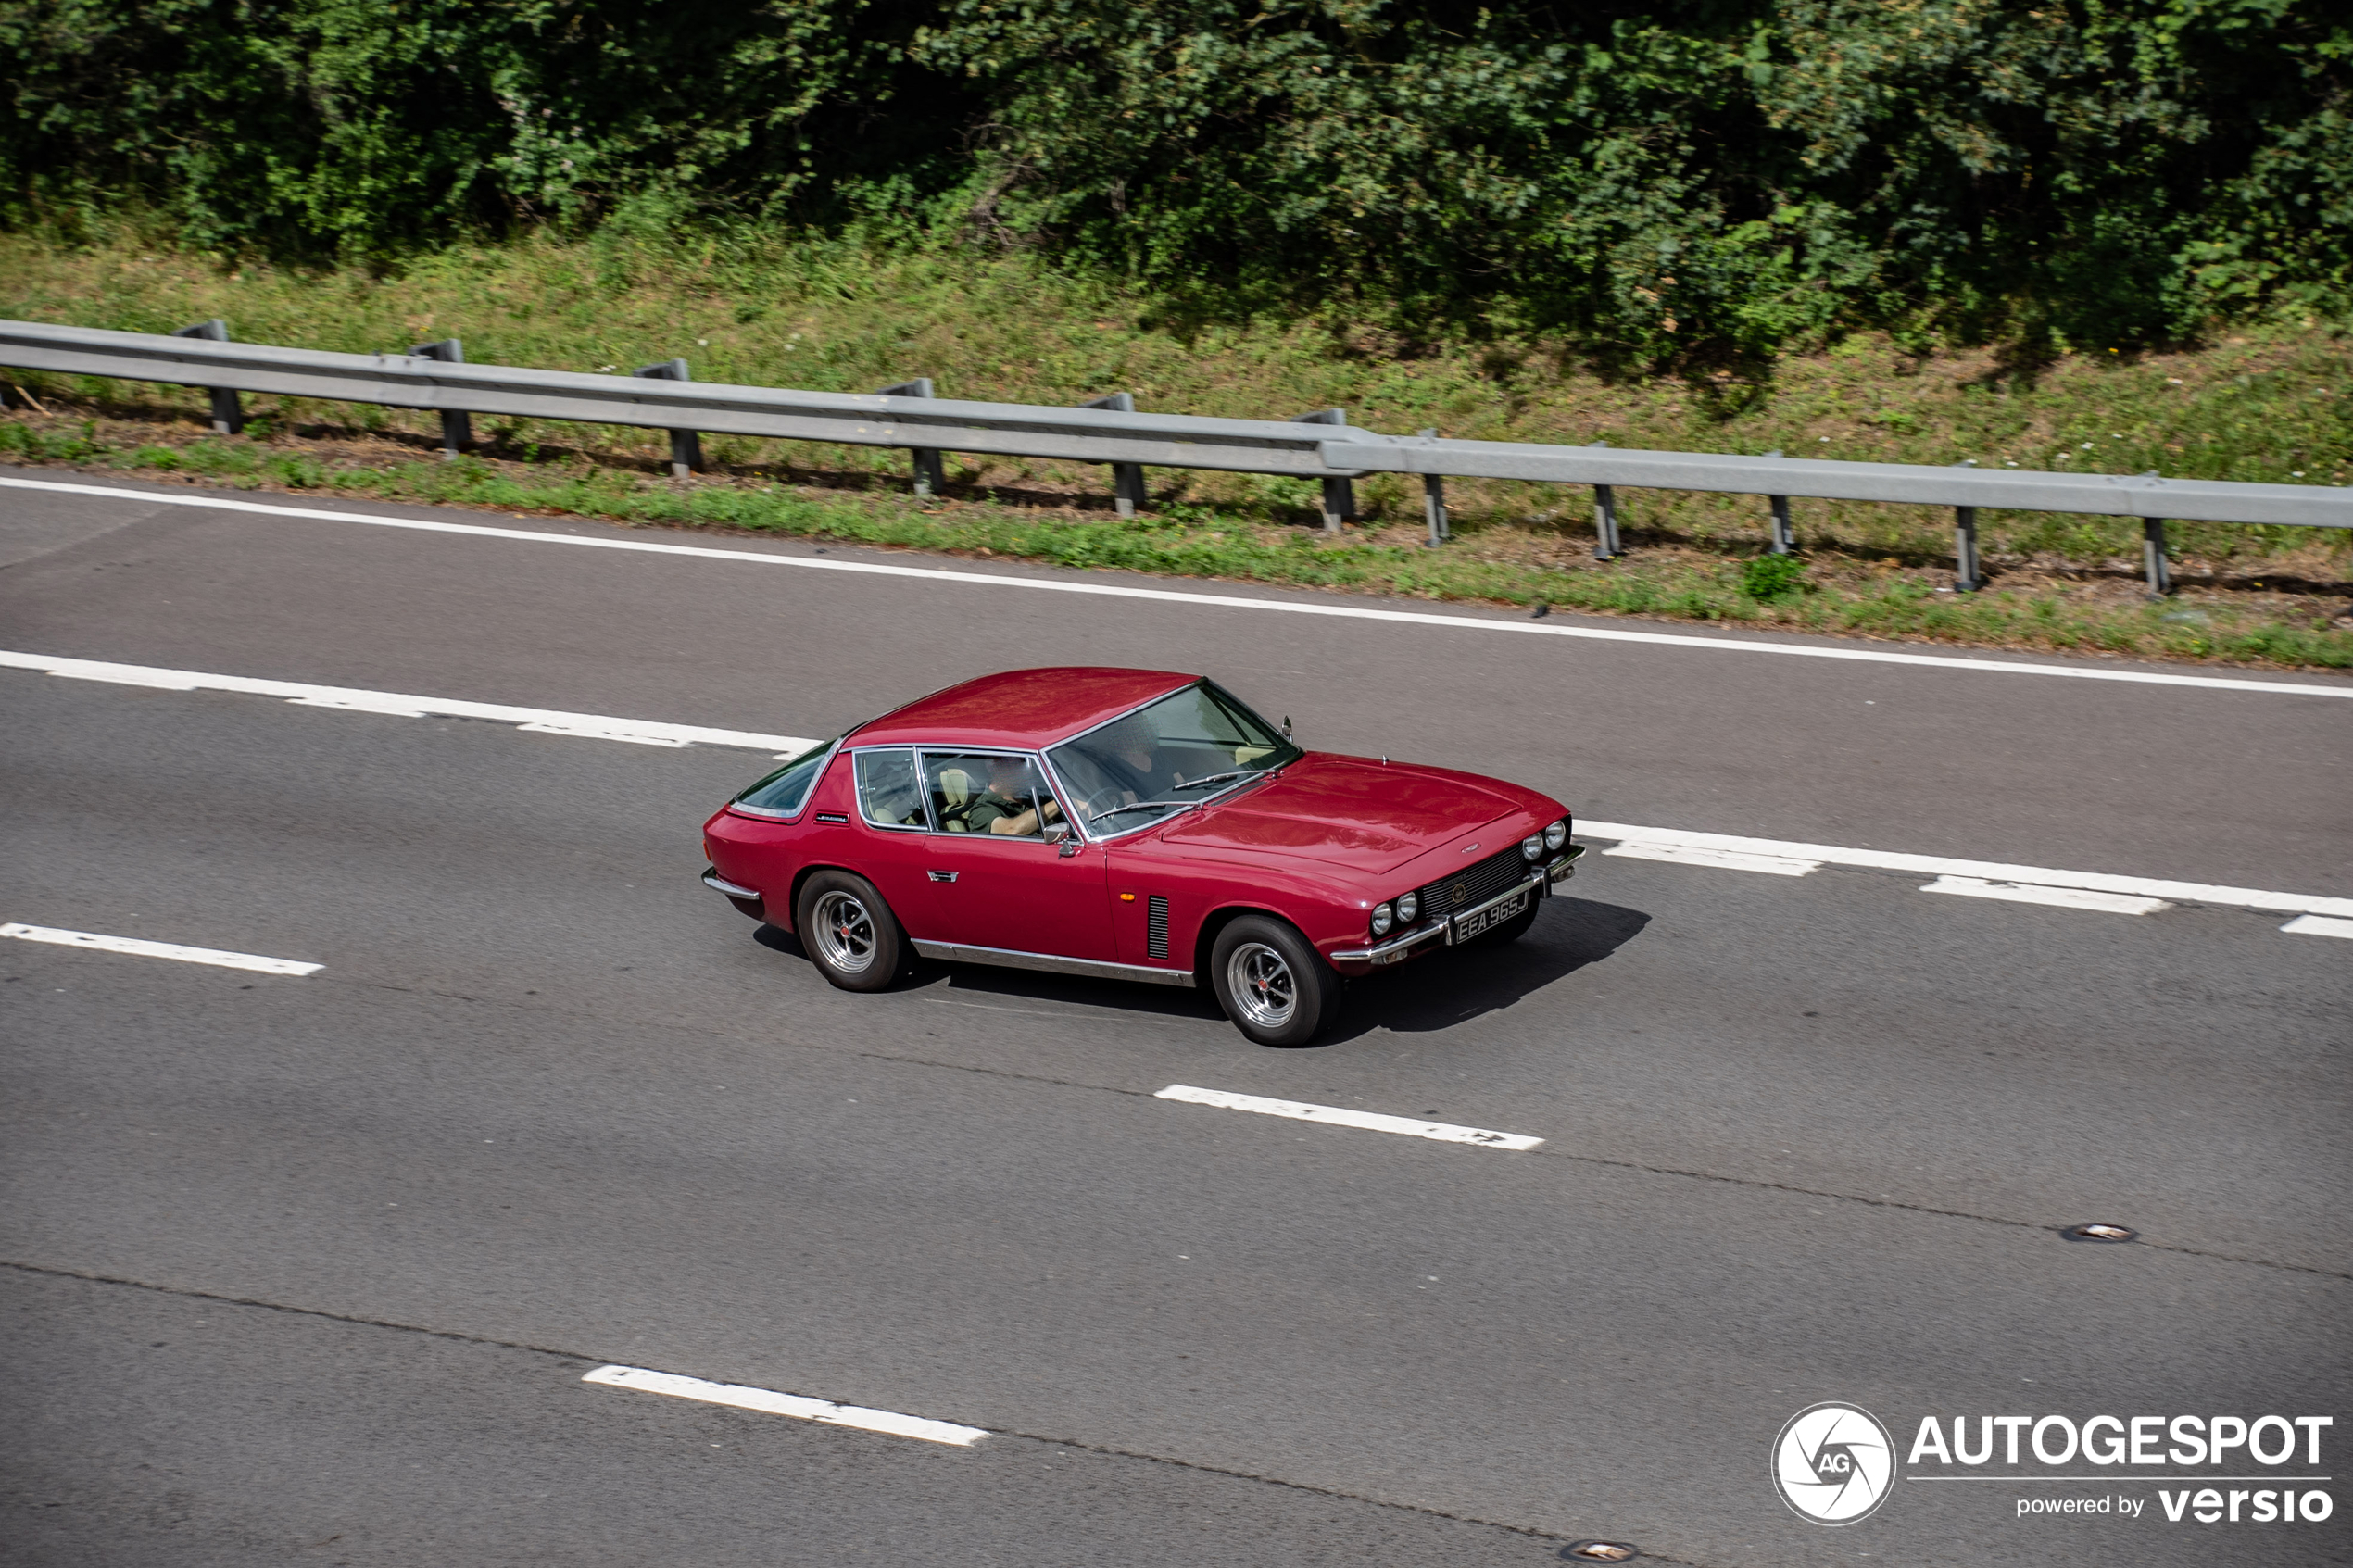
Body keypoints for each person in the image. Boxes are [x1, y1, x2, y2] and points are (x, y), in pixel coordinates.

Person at [964, 754, 1063, 836]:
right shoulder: (982, 809)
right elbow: (1010, 831)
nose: (1025, 767)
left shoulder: (1033, 795)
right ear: (994, 767)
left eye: (1023, 760)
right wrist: (1062, 802)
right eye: (1018, 761)